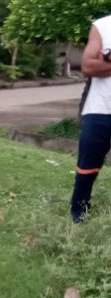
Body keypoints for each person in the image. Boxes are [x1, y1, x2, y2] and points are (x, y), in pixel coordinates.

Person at [69, 14, 111, 223]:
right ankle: (78, 213)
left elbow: (98, 65)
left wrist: (107, 60)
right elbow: (88, 66)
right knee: (87, 166)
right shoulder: (102, 26)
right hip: (99, 108)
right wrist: (99, 63)